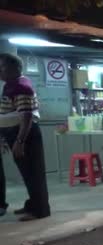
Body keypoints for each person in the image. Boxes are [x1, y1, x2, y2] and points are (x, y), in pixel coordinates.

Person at [0, 53, 50, 221]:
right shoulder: (11, 85)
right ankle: (33, 204)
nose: (0, 71)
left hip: (24, 135)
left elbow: (26, 116)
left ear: (16, 68)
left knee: (33, 173)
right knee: (27, 173)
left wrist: (20, 141)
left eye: (3, 67)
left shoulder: (21, 87)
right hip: (14, 133)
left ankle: (40, 210)